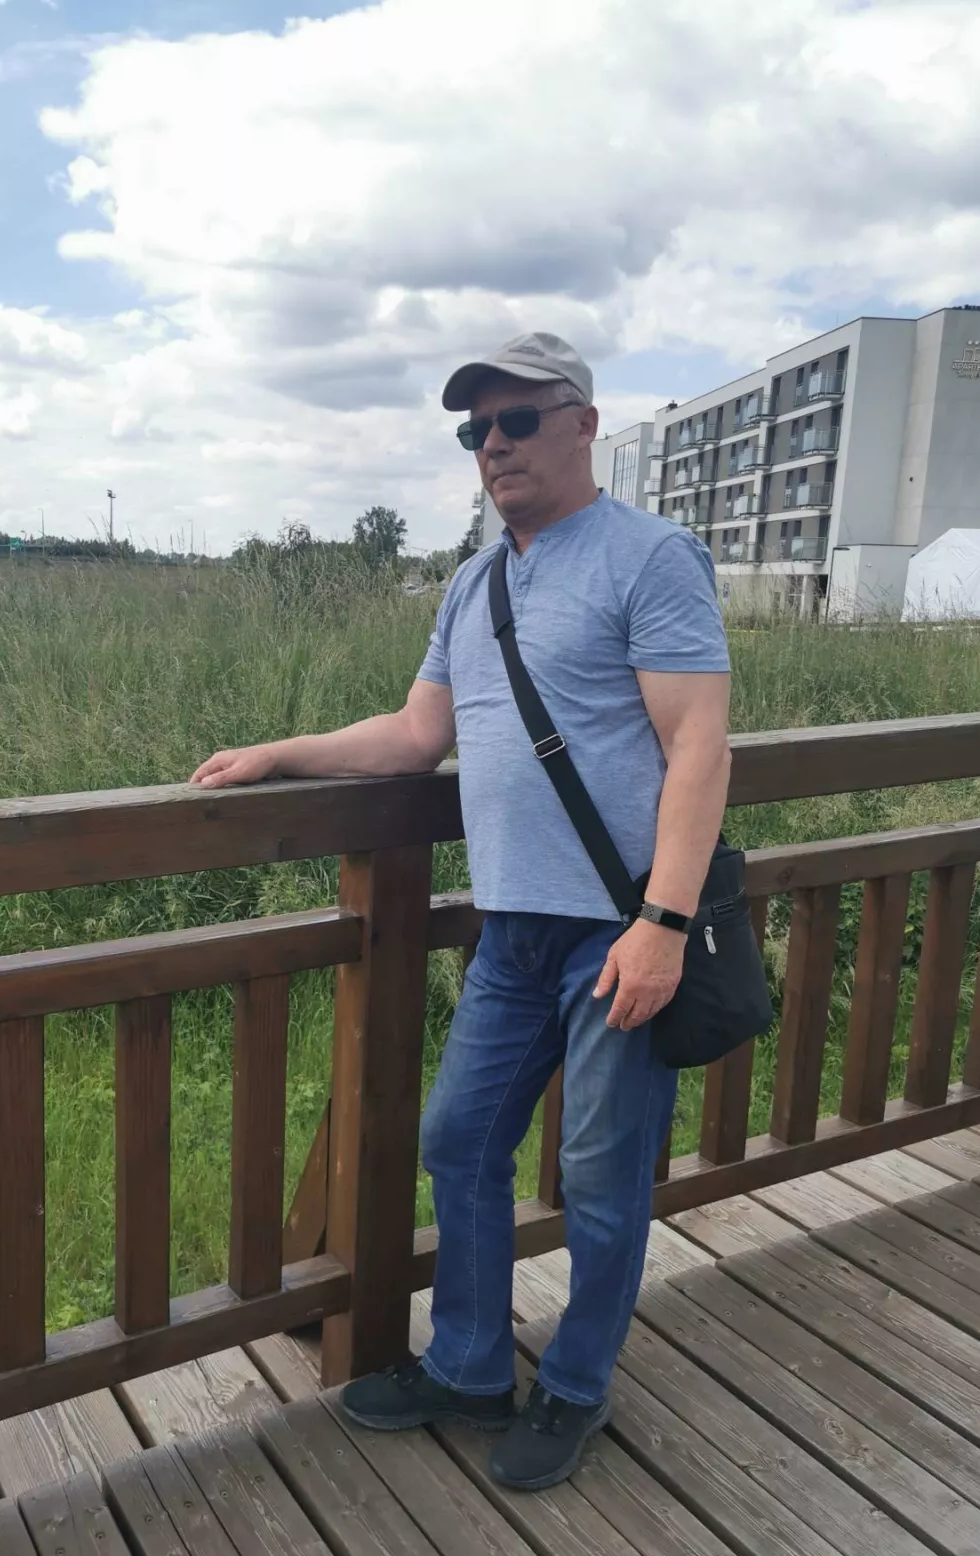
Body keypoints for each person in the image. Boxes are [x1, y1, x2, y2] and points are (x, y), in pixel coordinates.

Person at [192, 332, 731, 1490]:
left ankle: (574, 1386)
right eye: (474, 429)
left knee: (597, 1176)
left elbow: (697, 743)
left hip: (616, 929)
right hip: (510, 932)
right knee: (458, 1142)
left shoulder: (650, 557)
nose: (492, 445)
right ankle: (472, 1366)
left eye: (515, 420)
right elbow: (413, 735)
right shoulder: (472, 582)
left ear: (582, 424)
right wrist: (279, 753)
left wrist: (663, 925)